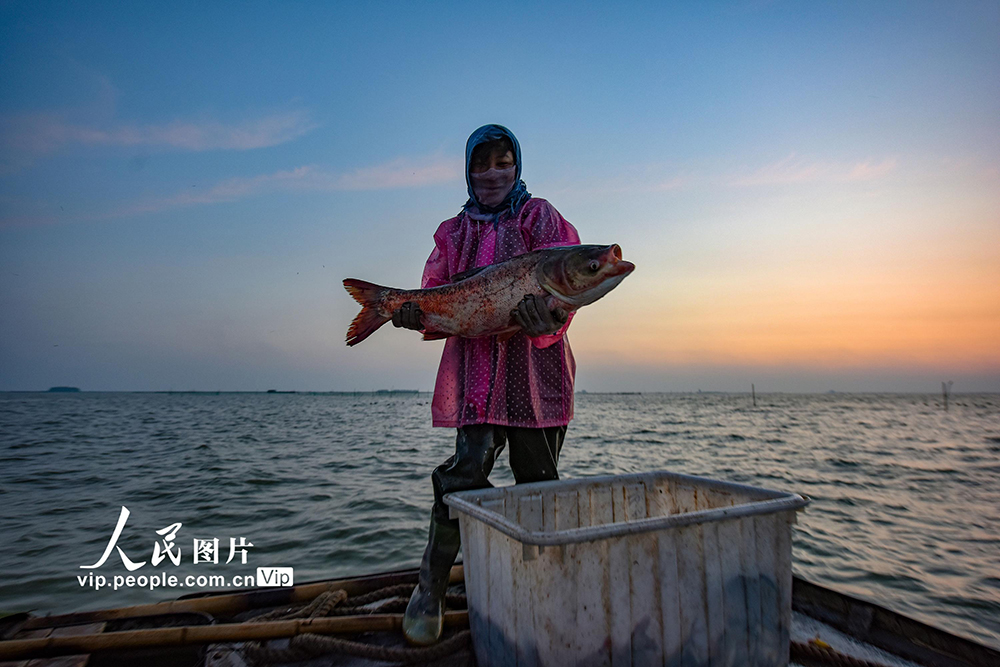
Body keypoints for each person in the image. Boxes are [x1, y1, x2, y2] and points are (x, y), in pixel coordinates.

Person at [396, 124, 581, 645]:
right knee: (463, 476)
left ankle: (543, 588)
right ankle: (430, 587)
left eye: (503, 162)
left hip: (537, 376)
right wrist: (417, 313)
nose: (493, 173)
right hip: (476, 373)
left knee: (539, 482)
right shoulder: (453, 232)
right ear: (469, 172)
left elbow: (566, 290)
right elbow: (435, 296)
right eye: (483, 163)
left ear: (517, 166)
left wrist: (551, 322)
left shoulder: (540, 217)